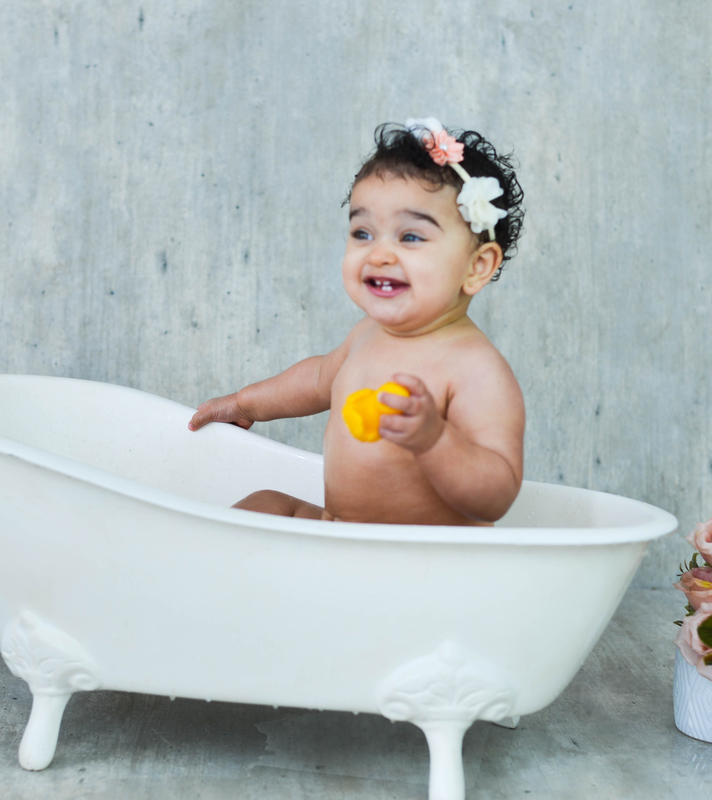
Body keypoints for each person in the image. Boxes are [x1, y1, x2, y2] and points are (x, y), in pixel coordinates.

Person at [188, 119, 525, 525]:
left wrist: (435, 440)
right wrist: (245, 403)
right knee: (267, 503)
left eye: (411, 237)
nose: (379, 254)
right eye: (363, 233)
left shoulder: (476, 369)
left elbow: (496, 496)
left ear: (477, 266)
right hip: (343, 532)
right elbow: (316, 380)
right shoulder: (367, 334)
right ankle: (200, 567)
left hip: (425, 559)